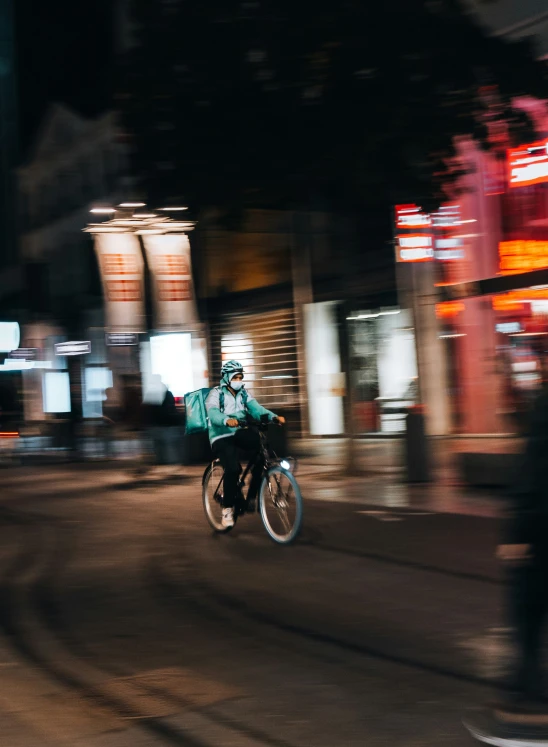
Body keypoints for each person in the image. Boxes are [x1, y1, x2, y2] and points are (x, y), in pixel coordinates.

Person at [497, 371, 548, 711]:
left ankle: (526, 686)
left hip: (540, 532)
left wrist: (517, 533)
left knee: (527, 610)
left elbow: (532, 472)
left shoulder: (543, 406)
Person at [206, 360, 285, 528]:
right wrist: (226, 420)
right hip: (220, 435)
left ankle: (251, 496)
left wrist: (273, 417)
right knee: (233, 468)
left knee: (262, 451)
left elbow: (257, 409)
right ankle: (227, 509)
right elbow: (213, 413)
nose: (239, 380)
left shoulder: (243, 393)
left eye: (241, 377)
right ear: (227, 377)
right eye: (236, 377)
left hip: (239, 432)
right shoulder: (216, 394)